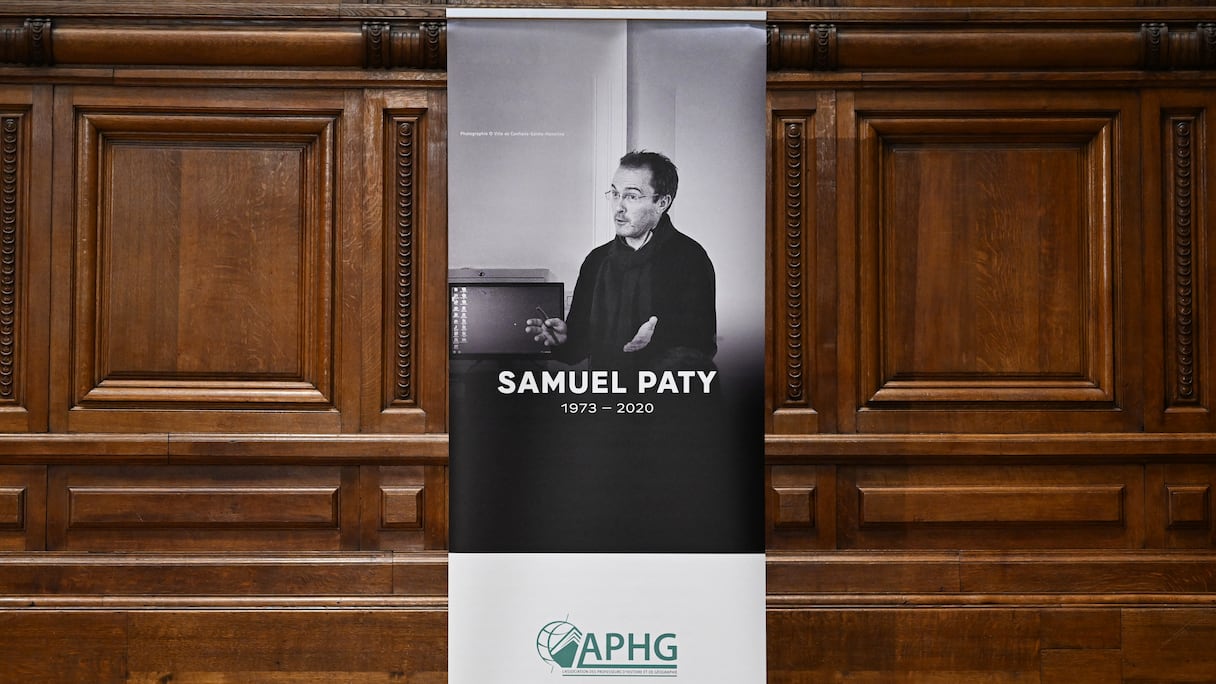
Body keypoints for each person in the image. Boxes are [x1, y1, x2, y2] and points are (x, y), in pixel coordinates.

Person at [526, 150, 717, 372]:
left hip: (665, 392)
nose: (619, 207)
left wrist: (656, 341)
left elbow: (702, 347)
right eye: (615, 194)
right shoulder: (596, 260)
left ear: (662, 203)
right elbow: (578, 348)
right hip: (606, 391)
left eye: (632, 196)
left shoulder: (691, 259)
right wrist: (563, 340)